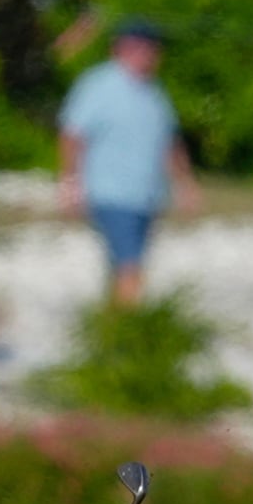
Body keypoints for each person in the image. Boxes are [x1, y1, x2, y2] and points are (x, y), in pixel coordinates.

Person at [55, 20, 196, 305]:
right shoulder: (98, 85)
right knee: (130, 266)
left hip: (146, 196)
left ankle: (111, 327)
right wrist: (70, 182)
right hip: (110, 193)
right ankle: (127, 335)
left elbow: (169, 142)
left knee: (125, 266)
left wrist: (185, 184)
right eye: (144, 48)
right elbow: (72, 135)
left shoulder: (154, 93)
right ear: (123, 48)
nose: (150, 55)